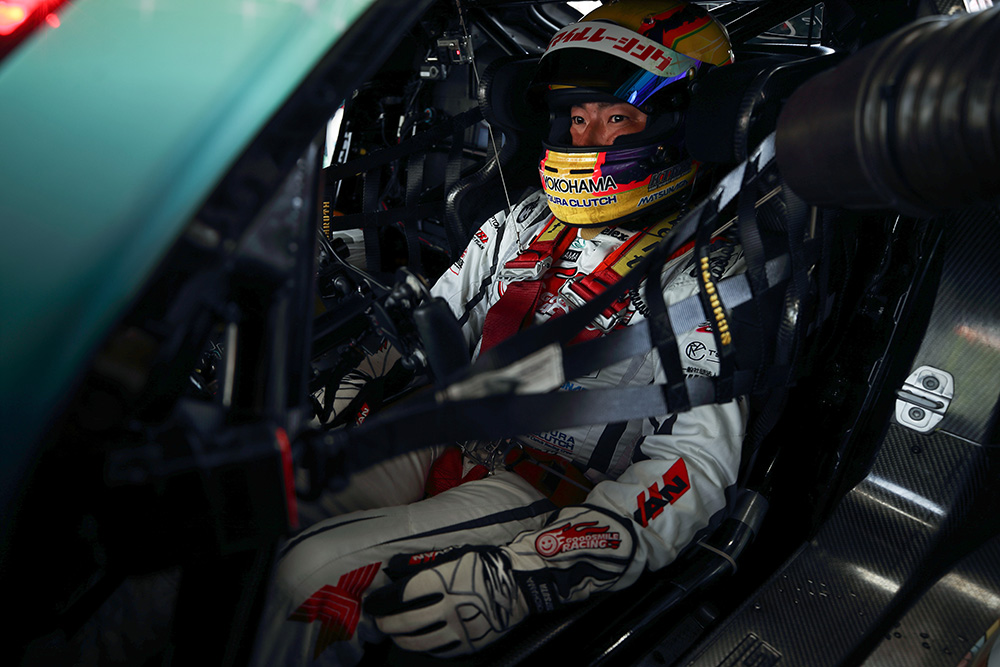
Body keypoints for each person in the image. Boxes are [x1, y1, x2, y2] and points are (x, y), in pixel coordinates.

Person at [251, 1, 744, 663]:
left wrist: (533, 571)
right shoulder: (526, 221)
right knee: (254, 511)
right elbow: (421, 334)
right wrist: (329, 401)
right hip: (443, 436)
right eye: (577, 118)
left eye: (615, 117)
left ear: (680, 125)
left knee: (309, 572)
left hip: (547, 490)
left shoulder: (708, 274)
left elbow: (695, 468)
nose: (586, 139)